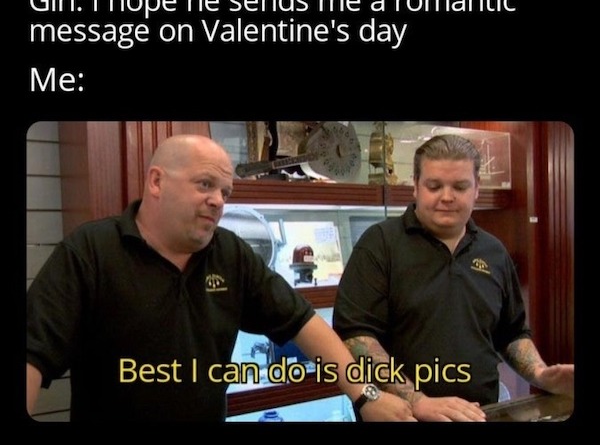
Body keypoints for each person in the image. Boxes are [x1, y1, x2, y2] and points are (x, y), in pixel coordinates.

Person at [26, 134, 416, 422]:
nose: (218, 200)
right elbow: (33, 353)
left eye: (225, 192)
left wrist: (365, 395)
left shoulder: (229, 253)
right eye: (205, 184)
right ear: (156, 181)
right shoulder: (91, 251)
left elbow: (302, 322)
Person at [332, 134, 574, 422]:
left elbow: (512, 333)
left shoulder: (494, 251)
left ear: (476, 188)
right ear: (415, 186)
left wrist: (541, 374)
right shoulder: (379, 245)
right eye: (434, 186)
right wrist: (416, 400)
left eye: (460, 186)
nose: (447, 197)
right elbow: (354, 336)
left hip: (480, 414)